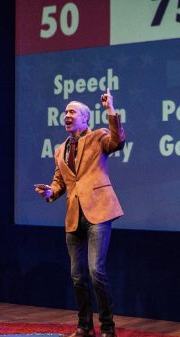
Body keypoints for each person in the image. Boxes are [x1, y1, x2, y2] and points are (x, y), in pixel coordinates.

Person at [36, 89, 124, 337]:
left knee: (97, 271)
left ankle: (107, 327)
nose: (66, 115)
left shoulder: (98, 137)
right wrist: (49, 192)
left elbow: (117, 142)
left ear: (85, 118)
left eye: (72, 111)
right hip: (74, 218)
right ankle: (85, 326)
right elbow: (60, 182)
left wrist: (110, 110)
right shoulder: (60, 149)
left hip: (98, 212)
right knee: (78, 276)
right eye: (65, 112)